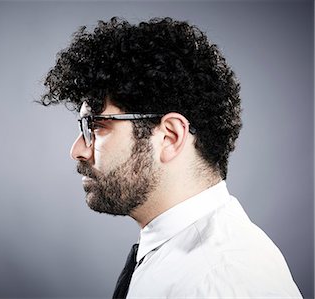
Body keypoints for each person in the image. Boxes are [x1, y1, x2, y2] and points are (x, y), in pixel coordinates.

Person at [39, 16, 303, 298]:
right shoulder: (175, 254)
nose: (77, 149)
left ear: (170, 137)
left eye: (96, 126)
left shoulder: (222, 282)